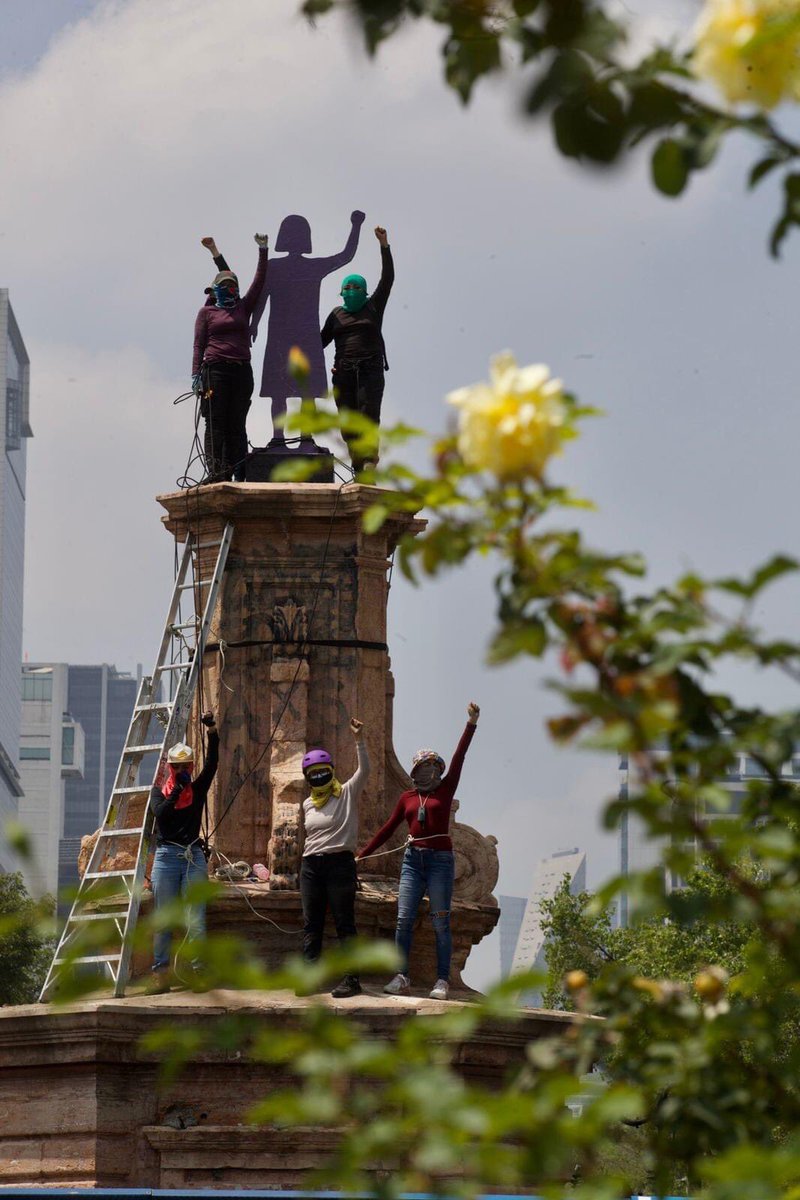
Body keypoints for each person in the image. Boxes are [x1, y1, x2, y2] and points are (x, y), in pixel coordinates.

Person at [357, 702, 480, 1001]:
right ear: (415, 770)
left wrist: (471, 724)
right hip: (413, 860)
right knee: (403, 919)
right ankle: (401, 976)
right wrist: (362, 854)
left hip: (440, 861)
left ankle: (442, 980)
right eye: (425, 766)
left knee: (440, 920)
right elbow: (387, 828)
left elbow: (459, 757)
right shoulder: (407, 797)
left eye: (434, 766)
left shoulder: (445, 790)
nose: (430, 770)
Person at [249, 211, 365, 445]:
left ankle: (294, 438)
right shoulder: (285, 267)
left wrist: (356, 226)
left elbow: (346, 256)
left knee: (295, 391)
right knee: (289, 391)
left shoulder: (285, 267)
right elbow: (346, 256)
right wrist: (254, 323)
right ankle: (287, 438)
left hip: (295, 334)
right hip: (291, 335)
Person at [149, 711, 219, 991]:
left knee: (195, 918)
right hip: (166, 857)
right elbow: (161, 815)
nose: (181, 772)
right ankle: (161, 973)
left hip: (192, 856)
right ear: (170, 768)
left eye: (185, 767)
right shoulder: (160, 792)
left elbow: (213, 763)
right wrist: (177, 790)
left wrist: (211, 730)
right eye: (176, 768)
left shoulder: (198, 789)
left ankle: (198, 971)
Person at [300, 718, 370, 998]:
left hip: (340, 863)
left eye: (322, 772)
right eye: (313, 774)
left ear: (331, 771)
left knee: (344, 922)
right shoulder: (307, 803)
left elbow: (365, 770)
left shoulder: (347, 792)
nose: (318, 777)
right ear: (307, 778)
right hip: (310, 866)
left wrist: (359, 739)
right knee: (311, 923)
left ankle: (352, 979)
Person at [192, 234, 269, 482]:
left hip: (241, 371)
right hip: (215, 370)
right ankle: (216, 472)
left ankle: (240, 472)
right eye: (223, 286)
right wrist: (195, 375)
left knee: (237, 423)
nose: (229, 289)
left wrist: (263, 250)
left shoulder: (242, 307)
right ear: (214, 290)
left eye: (232, 286)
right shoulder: (207, 312)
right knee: (215, 423)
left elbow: (258, 282)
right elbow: (198, 344)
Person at [320, 226, 394, 471]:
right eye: (348, 288)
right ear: (342, 291)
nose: (352, 291)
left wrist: (384, 245)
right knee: (348, 422)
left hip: (370, 370)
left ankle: (370, 461)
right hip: (343, 373)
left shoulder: (373, 307)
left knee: (368, 416)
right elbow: (319, 342)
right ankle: (358, 466)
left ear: (364, 291)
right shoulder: (336, 315)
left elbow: (388, 279)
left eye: (356, 288)